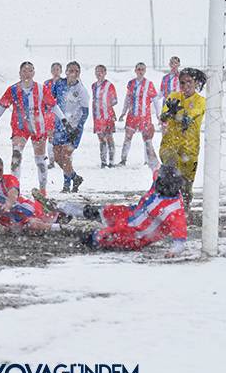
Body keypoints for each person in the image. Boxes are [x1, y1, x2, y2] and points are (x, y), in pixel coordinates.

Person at [34, 164, 187, 254]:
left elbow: (180, 238)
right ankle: (63, 208)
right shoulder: (160, 182)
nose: (157, 183)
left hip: (135, 235)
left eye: (160, 181)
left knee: (94, 238)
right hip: (130, 213)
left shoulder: (174, 210)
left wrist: (174, 251)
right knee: (98, 211)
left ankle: (68, 229)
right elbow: (155, 166)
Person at [0, 61, 65, 195]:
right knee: (16, 156)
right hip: (20, 127)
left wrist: (63, 119)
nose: (27, 73)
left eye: (29, 70)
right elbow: (3, 106)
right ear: (20, 73)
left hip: (38, 127)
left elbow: (52, 105)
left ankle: (43, 190)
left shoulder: (41, 88)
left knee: (40, 159)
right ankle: (14, 189)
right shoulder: (13, 89)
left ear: (33, 73)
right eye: (24, 71)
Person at [159, 67, 207, 213]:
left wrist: (178, 114)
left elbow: (188, 119)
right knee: (171, 173)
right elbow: (163, 117)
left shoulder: (201, 101)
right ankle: (166, 209)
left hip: (190, 150)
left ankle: (184, 211)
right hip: (170, 145)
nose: (185, 86)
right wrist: (169, 112)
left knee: (186, 187)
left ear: (196, 83)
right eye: (182, 83)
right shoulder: (173, 96)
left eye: (189, 82)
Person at [52, 61, 90, 193]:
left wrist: (77, 128)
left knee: (66, 155)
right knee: (57, 158)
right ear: (66, 72)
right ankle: (75, 177)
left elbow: (85, 113)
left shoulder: (81, 90)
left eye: (76, 71)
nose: (74, 73)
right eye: (71, 70)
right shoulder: (59, 84)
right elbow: (51, 101)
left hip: (73, 128)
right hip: (59, 126)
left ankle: (66, 185)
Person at [117, 62, 160, 170]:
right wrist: (123, 111)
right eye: (138, 69)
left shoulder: (149, 84)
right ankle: (123, 159)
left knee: (147, 139)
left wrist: (159, 114)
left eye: (142, 69)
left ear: (145, 71)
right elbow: (127, 98)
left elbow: (155, 100)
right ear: (135, 71)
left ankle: (147, 160)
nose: (140, 71)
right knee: (127, 138)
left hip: (144, 116)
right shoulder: (131, 83)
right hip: (132, 115)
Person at [91, 64, 117, 168]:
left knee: (109, 138)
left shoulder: (109, 85)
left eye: (101, 71)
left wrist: (106, 104)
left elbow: (115, 100)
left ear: (105, 73)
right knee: (101, 139)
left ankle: (111, 162)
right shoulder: (94, 85)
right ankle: (103, 161)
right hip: (97, 116)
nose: (99, 73)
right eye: (97, 71)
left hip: (107, 116)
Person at [43, 62, 63, 169]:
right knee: (50, 136)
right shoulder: (46, 84)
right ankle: (51, 160)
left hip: (63, 114)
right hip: (50, 113)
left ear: (61, 71)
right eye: (54, 69)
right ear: (51, 71)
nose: (56, 71)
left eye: (58, 69)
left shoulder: (64, 83)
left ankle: (63, 159)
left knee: (62, 138)